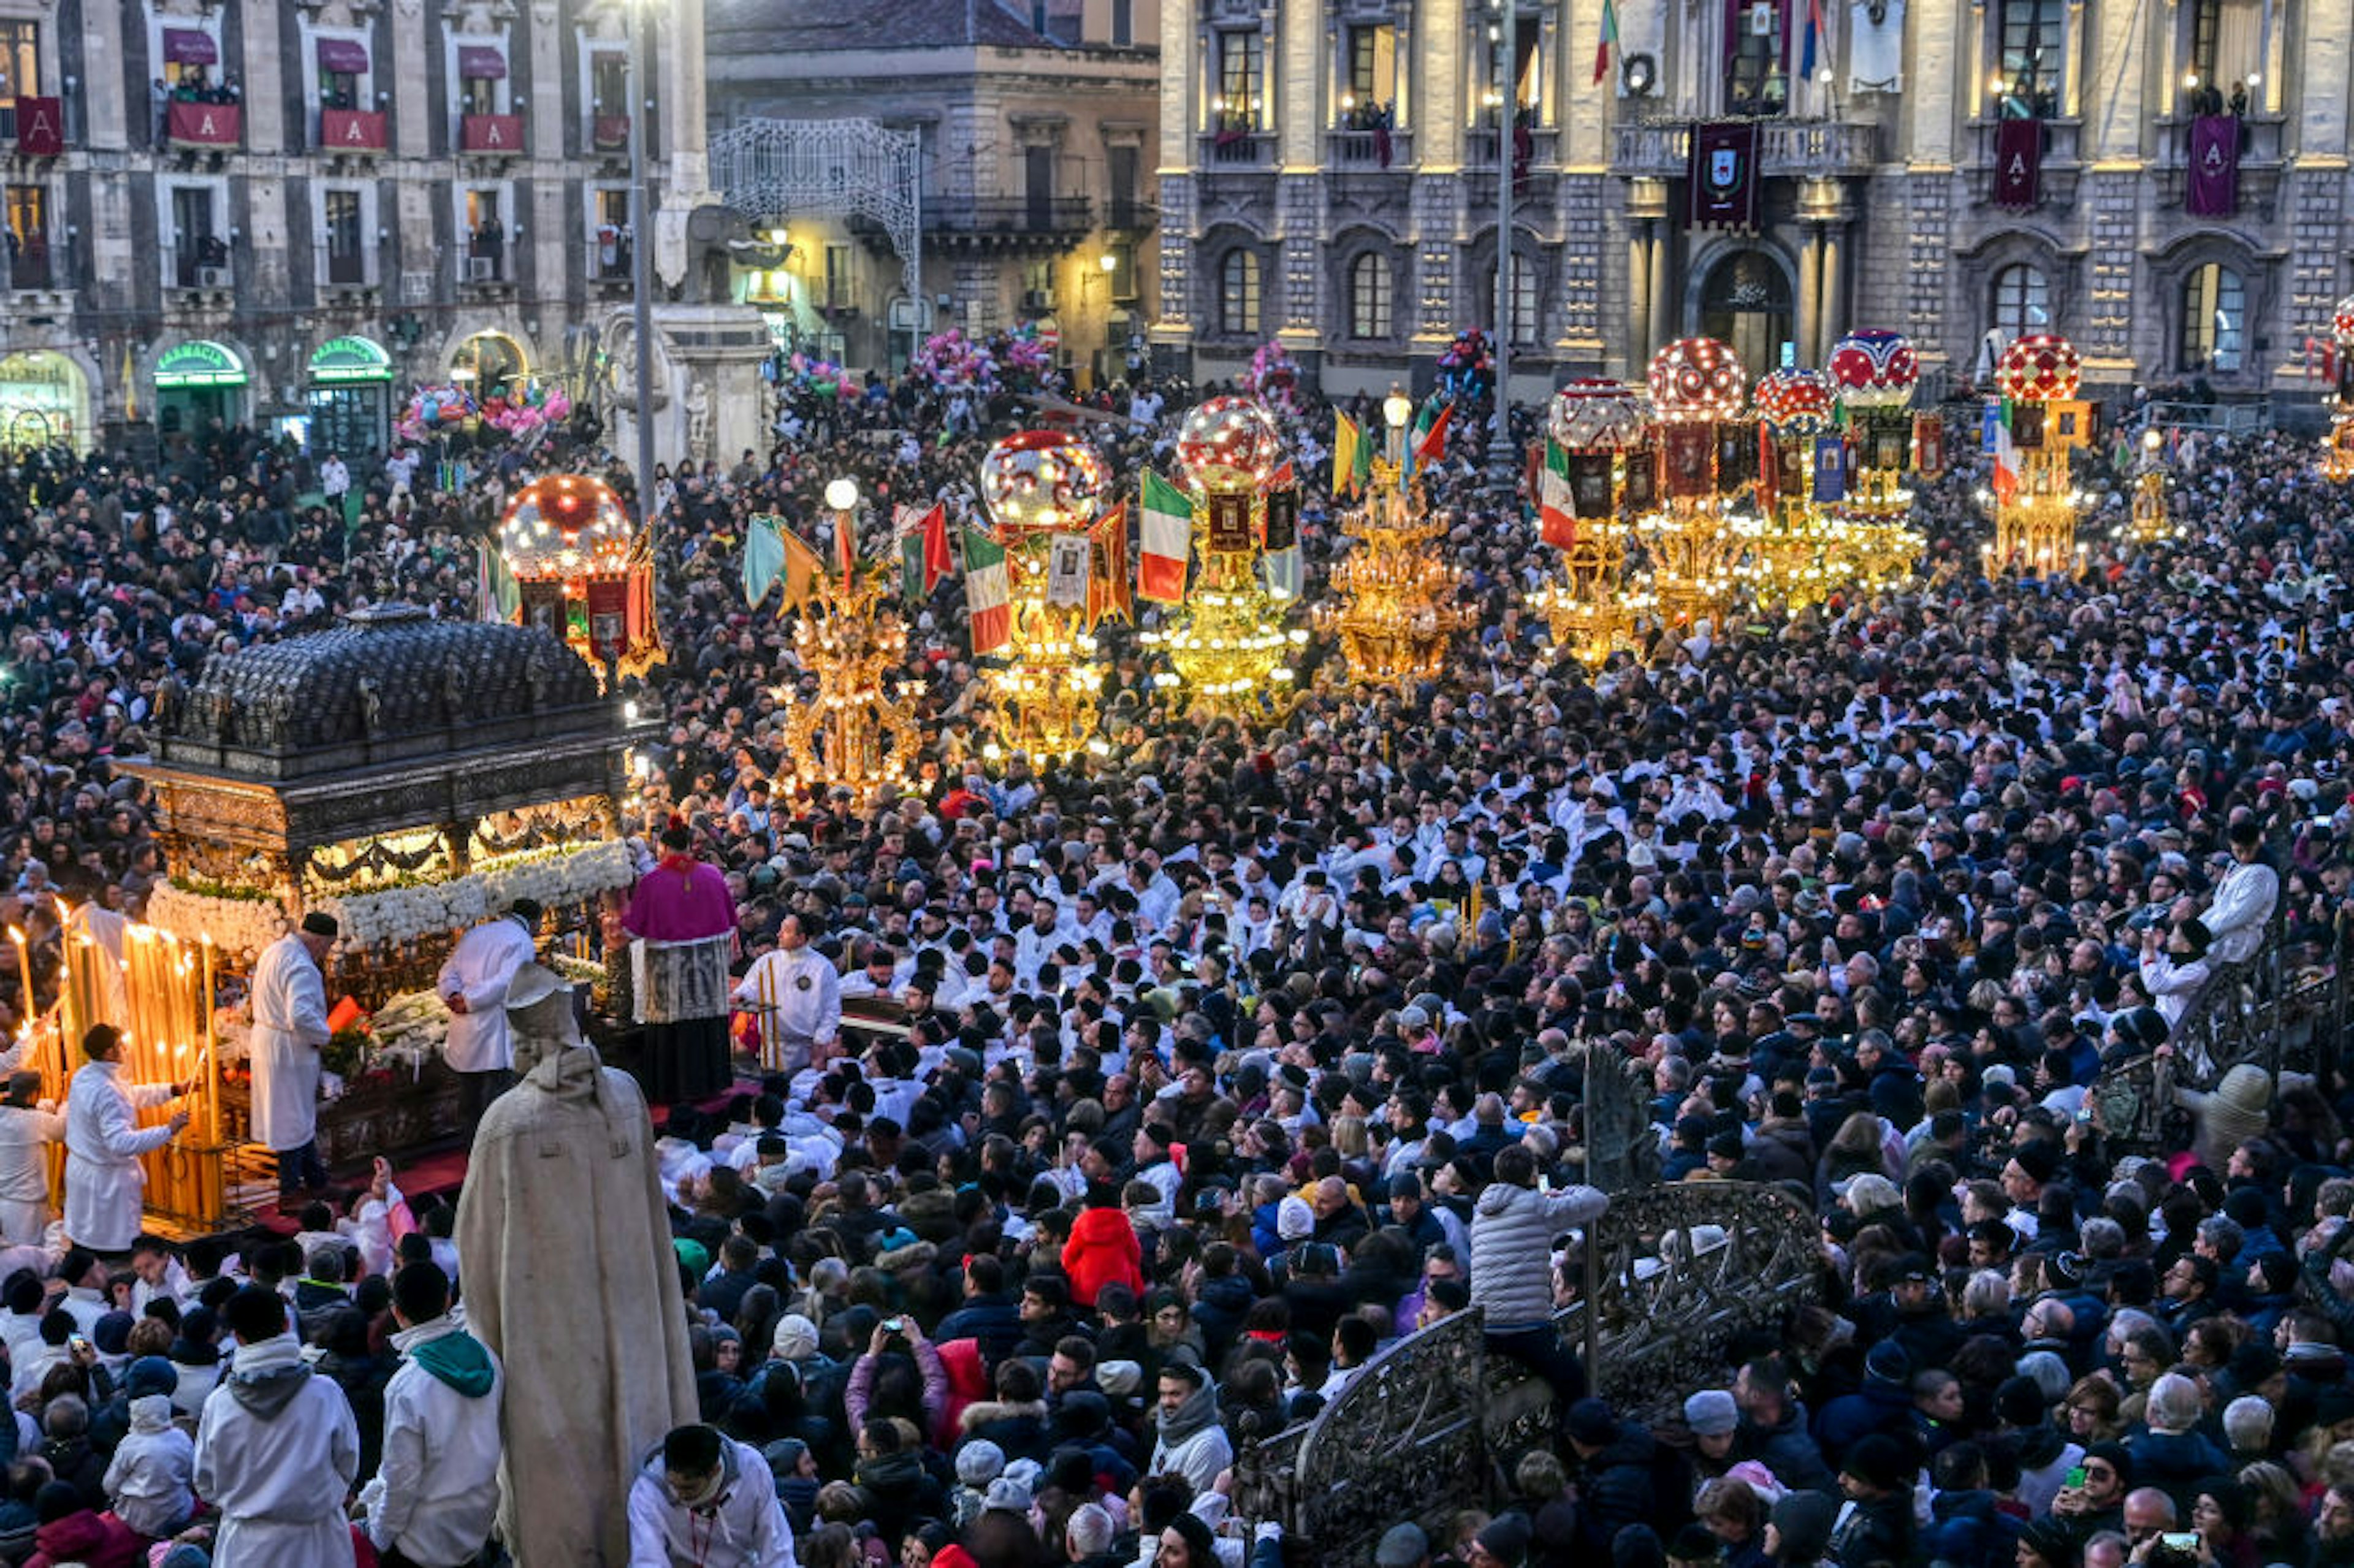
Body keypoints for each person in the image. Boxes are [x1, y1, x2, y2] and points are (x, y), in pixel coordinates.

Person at [454, 962, 694, 1564]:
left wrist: (489, 1341)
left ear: (525, 1041)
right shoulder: (626, 1096)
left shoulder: (508, 1122)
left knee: (563, 1484)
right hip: (636, 1318)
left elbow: (477, 1255)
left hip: (550, 1343)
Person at [192, 1282, 362, 1568]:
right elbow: (348, 1463)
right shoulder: (324, 1393)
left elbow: (205, 1482)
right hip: (319, 1543)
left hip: (246, 1547)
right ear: (286, 1324)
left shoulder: (219, 1404)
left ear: (237, 1337)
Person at [360, 1262, 503, 1568]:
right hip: (476, 1527)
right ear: (447, 1301)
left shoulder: (407, 1385)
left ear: (396, 1313)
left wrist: (379, 1539)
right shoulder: (488, 1358)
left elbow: (402, 1480)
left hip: (421, 1543)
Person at [624, 823, 740, 1106]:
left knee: (673, 1024)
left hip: (669, 966)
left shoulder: (652, 881)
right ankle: (711, 1083)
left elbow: (634, 929)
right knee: (705, 1023)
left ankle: (672, 1088)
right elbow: (730, 919)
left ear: (662, 848)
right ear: (690, 846)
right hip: (708, 966)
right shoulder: (713, 875)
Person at [61, 1025, 191, 1255]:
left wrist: (173, 1090)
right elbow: (121, 1143)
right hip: (106, 1183)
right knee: (107, 1254)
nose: (126, 1048)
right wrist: (168, 1130)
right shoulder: (105, 1089)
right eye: (121, 1045)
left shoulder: (85, 1076)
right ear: (110, 1052)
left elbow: (129, 1095)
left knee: (85, 1245)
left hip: (85, 1174)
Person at [625, 1421, 799, 1567]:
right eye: (673, 1486)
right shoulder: (648, 1492)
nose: (678, 1496)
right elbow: (648, 1560)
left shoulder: (752, 1469)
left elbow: (776, 1547)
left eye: (688, 1488)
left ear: (715, 1471)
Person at [250, 911, 337, 1197]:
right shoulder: (302, 966)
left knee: (295, 1116)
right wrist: (324, 1034)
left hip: (269, 1041)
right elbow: (299, 1015)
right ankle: (289, 1191)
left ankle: (316, 1181)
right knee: (292, 1119)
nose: (326, 954)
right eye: (327, 947)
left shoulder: (274, 951)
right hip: (288, 1049)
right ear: (318, 941)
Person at [437, 897, 539, 1128]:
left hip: (464, 1030)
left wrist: (453, 995)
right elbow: (508, 982)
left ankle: (472, 1152)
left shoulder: (476, 933)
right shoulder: (521, 940)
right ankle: (491, 1154)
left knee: (469, 1099)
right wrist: (470, 1000)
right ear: (535, 922)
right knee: (496, 1102)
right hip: (495, 1030)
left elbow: (447, 972)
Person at [731, 913, 840, 1076]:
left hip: (805, 1048)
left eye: (786, 931)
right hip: (770, 1046)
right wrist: (740, 995)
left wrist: (822, 1042)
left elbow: (831, 1011)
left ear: (801, 938)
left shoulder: (822, 968)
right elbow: (750, 988)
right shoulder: (766, 962)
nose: (779, 935)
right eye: (780, 930)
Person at [0, 1071, 64, 1244]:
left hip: (5, 1205)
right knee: (30, 1260)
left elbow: (29, 1112)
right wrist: (67, 1105)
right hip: (28, 1210)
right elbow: (64, 1128)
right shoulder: (35, 1121)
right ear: (33, 1095)